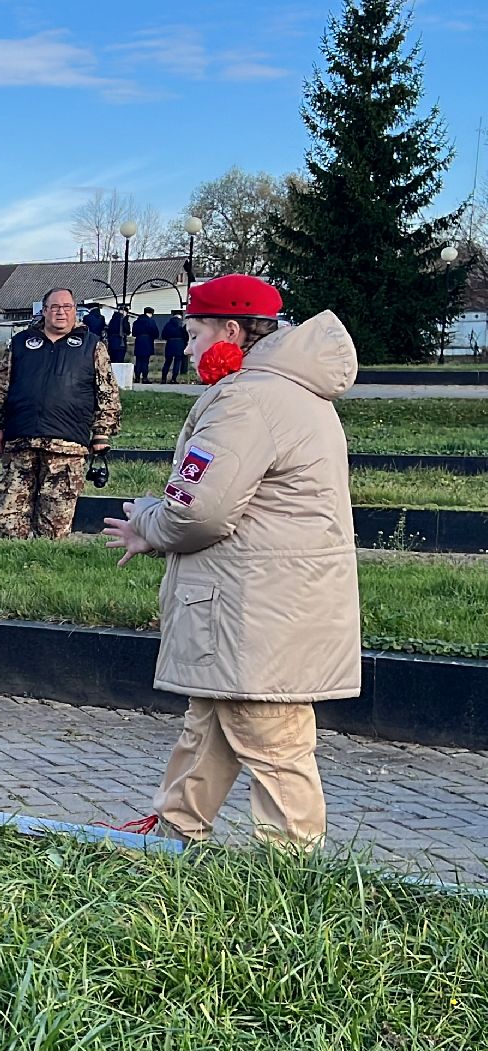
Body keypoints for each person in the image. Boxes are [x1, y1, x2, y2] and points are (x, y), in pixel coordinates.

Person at [100, 275, 359, 851]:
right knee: (210, 726)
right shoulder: (292, 392)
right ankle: (174, 839)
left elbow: (198, 512)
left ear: (231, 332)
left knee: (274, 742)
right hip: (269, 605)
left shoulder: (247, 399)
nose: (185, 348)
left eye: (192, 334)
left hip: (253, 613)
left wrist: (147, 520)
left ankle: (294, 875)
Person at [0, 287, 120, 540]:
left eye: (67, 307)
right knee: (8, 520)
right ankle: (5, 568)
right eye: (55, 307)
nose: (61, 312)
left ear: (74, 312)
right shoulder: (21, 343)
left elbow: (107, 392)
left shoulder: (92, 346)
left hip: (66, 446)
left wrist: (102, 433)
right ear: (44, 311)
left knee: (54, 525)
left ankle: (46, 567)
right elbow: (0, 386)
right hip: (21, 442)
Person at [133, 307, 160, 383]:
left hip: (138, 342)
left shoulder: (137, 322)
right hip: (148, 342)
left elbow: (134, 333)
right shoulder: (151, 322)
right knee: (145, 361)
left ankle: (137, 378)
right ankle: (144, 378)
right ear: (151, 313)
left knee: (138, 361)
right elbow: (156, 333)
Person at [162, 309, 190, 383]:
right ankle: (174, 379)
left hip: (170, 344)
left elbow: (163, 335)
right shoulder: (182, 324)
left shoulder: (168, 324)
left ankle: (163, 378)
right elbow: (186, 335)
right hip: (180, 344)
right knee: (177, 362)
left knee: (167, 362)